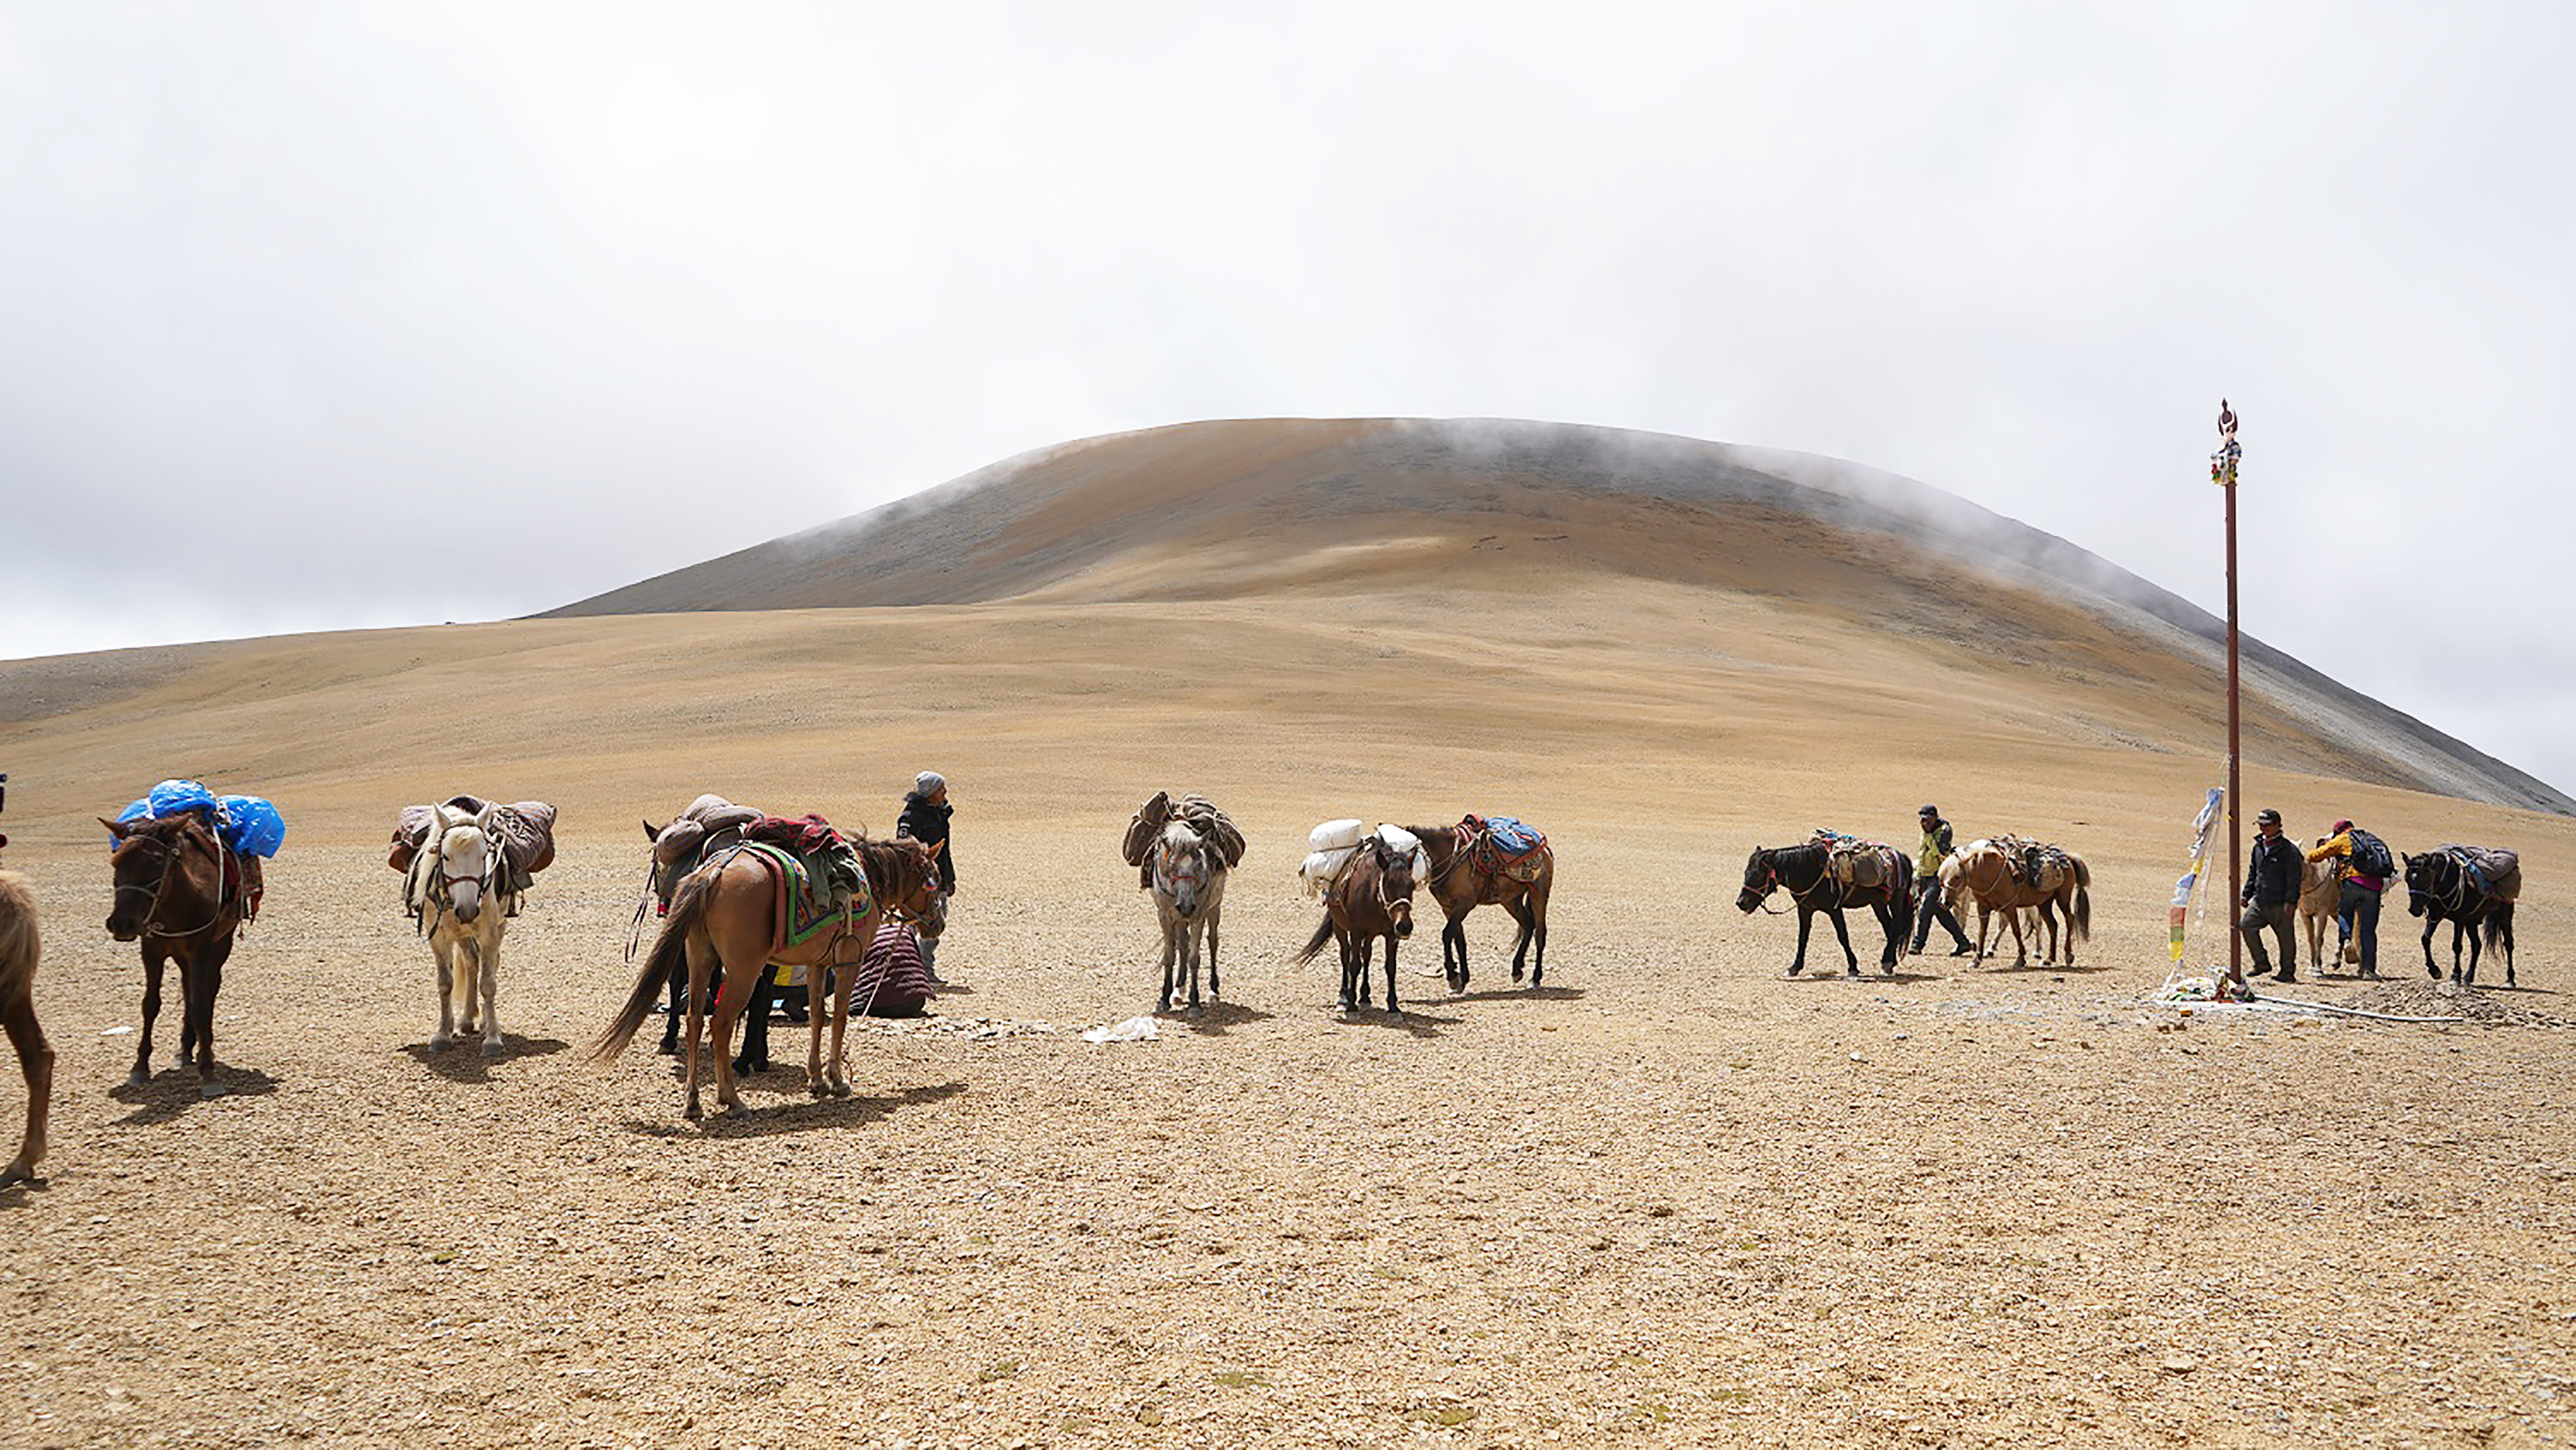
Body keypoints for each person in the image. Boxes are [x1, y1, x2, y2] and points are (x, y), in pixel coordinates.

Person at [2306, 817, 2388, 979]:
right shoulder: (2371, 838)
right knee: (2368, 930)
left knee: (2343, 913)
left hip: (2353, 883)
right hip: (2374, 887)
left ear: (2338, 831)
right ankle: (2369, 971)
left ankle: (2347, 940)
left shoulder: (2343, 839)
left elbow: (2315, 856)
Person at [897, 771, 956, 982]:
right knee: (913, 924)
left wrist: (949, 879)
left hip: (938, 879)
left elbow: (944, 851)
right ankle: (906, 971)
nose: (945, 792)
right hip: (920, 884)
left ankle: (926, 969)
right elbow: (905, 851)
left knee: (935, 925)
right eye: (941, 789)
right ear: (930, 793)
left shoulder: (939, 814)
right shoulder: (911, 818)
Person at [2239, 807, 2302, 982]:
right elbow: (2254, 872)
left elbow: (2294, 878)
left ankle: (2287, 972)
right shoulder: (2258, 847)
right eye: (2261, 825)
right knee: (2246, 926)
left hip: (2280, 902)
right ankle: (2261, 963)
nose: (2263, 828)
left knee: (2285, 938)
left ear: (2278, 825)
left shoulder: (2289, 851)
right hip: (2260, 900)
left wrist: (2291, 902)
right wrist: (2246, 894)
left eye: (2267, 825)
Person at [1908, 804, 1975, 957]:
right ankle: (1963, 942)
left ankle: (1917, 945)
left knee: (1925, 911)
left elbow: (1939, 853)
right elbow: (1922, 852)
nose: (1924, 822)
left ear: (1935, 817)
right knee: (1942, 913)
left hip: (1938, 877)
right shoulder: (1926, 829)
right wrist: (1919, 874)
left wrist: (1928, 835)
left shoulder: (1944, 831)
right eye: (1922, 819)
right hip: (1924, 875)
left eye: (1927, 818)